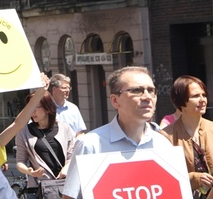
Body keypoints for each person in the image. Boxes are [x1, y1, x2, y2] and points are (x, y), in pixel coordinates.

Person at [61, 66, 176, 199]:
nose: (147, 97)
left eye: (151, 90)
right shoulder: (90, 145)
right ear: (115, 100)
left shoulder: (163, 144)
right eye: (137, 90)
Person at [160, 75, 213, 198]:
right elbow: (164, 175)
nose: (202, 100)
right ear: (180, 100)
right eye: (195, 96)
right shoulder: (166, 136)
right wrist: (193, 178)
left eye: (203, 95)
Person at [15, 91, 75, 195]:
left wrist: (65, 169)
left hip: (64, 185)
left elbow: (72, 156)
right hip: (39, 188)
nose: (32, 111)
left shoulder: (64, 128)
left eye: (36, 107)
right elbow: (20, 162)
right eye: (30, 107)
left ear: (47, 108)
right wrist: (29, 171)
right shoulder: (24, 132)